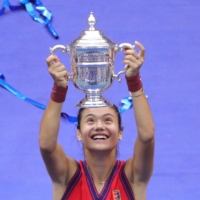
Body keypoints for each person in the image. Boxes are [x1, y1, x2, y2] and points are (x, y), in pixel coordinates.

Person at [39, 41, 155, 200]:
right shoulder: (67, 175)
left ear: (120, 132)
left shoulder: (132, 177)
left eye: (108, 120)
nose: (99, 126)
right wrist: (59, 89)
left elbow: (147, 136)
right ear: (79, 133)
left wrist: (134, 81)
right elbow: (46, 146)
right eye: (90, 121)